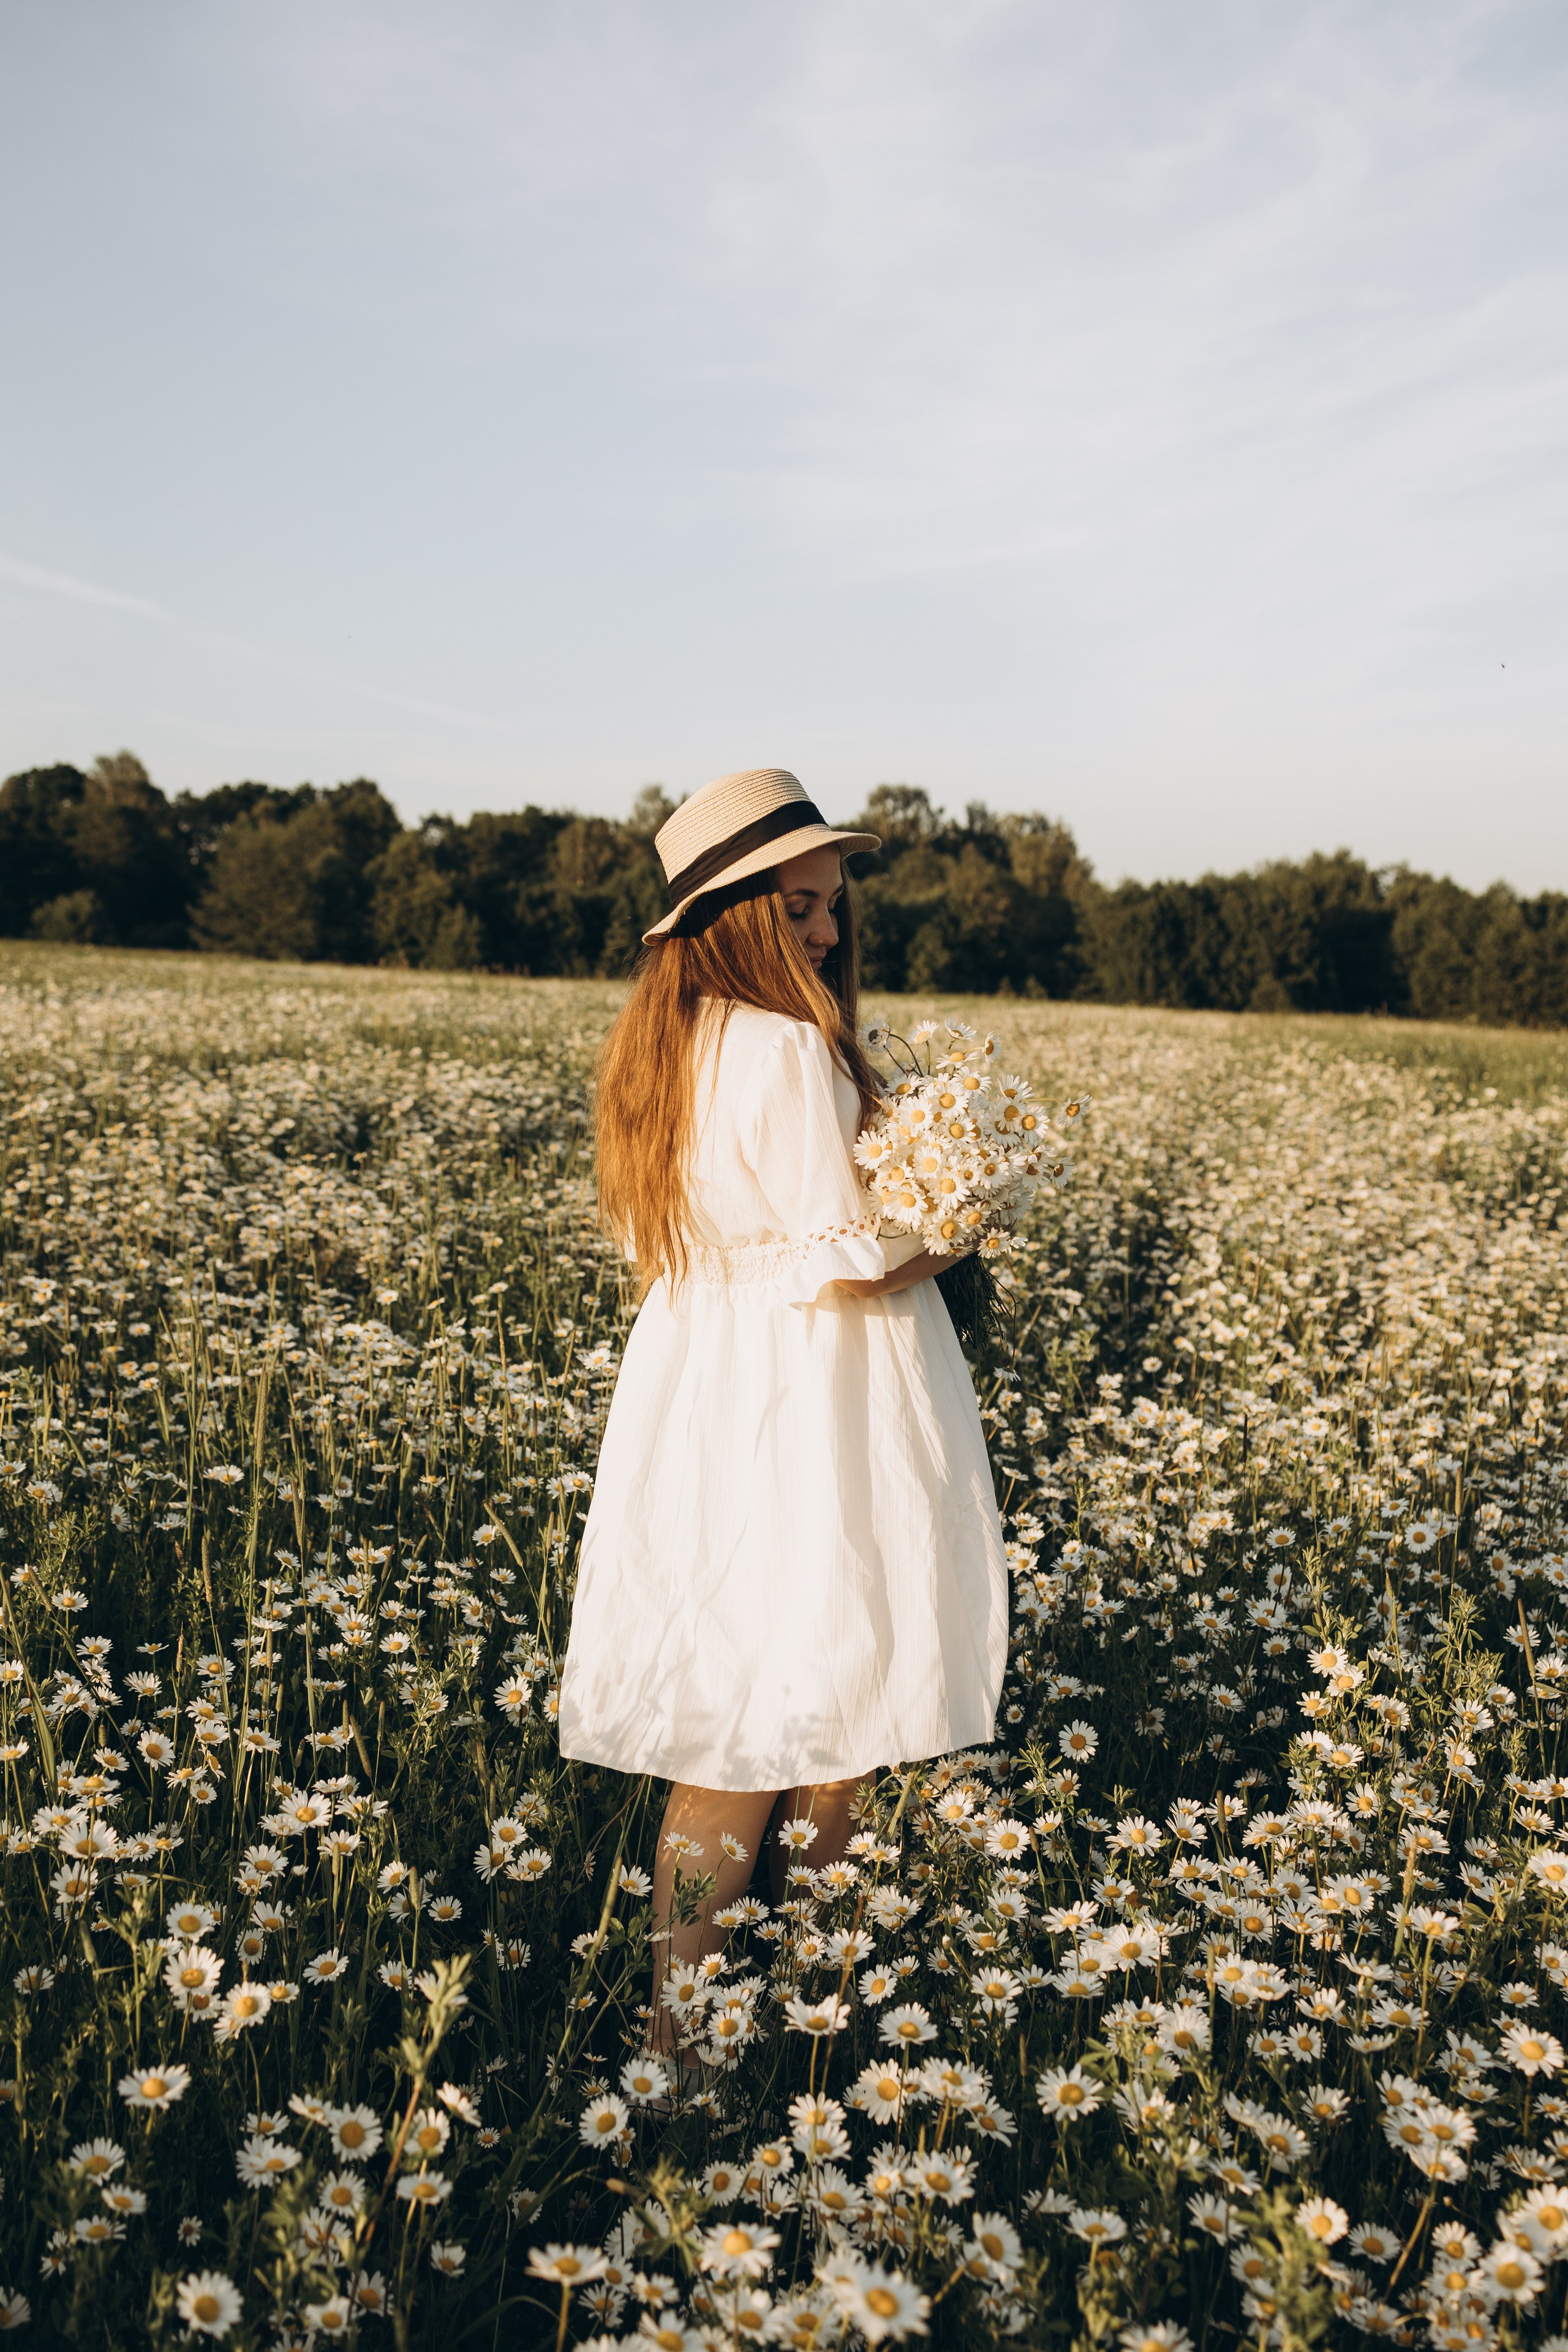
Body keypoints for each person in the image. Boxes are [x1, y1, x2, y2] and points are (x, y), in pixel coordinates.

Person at [556, 766, 1007, 2050]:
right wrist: (962, 1221)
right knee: (834, 1708)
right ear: (735, 915)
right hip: (817, 1395)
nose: (823, 930)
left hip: (707, 1397)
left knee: (728, 1718)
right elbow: (840, 1256)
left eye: (830, 905)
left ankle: (681, 2049)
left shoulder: (666, 1045)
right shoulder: (787, 1043)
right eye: (798, 906)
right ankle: (820, 2031)